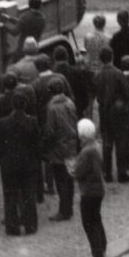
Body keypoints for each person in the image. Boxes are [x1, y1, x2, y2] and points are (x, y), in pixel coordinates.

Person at [0, 91, 40, 236]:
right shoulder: (32, 121)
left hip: (9, 165)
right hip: (28, 164)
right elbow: (37, 145)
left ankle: (12, 227)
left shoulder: (3, 123)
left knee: (10, 197)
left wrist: (2, 161)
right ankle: (30, 225)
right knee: (28, 195)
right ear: (25, 105)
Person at [92, 47, 129, 183]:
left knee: (107, 143)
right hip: (119, 113)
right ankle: (121, 172)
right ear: (112, 57)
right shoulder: (118, 74)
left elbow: (95, 94)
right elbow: (128, 93)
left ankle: (107, 173)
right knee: (121, 142)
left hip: (104, 112)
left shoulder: (97, 75)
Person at [74, 118, 107, 257]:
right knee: (96, 219)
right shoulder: (96, 146)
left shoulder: (86, 152)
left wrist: (72, 169)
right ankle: (102, 248)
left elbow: (79, 172)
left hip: (89, 191)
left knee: (89, 223)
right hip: (98, 188)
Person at [43, 79, 78, 221]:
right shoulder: (70, 102)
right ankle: (69, 208)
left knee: (60, 180)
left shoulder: (51, 107)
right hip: (71, 145)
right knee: (69, 178)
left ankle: (63, 211)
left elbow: (50, 130)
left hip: (58, 147)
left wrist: (45, 145)